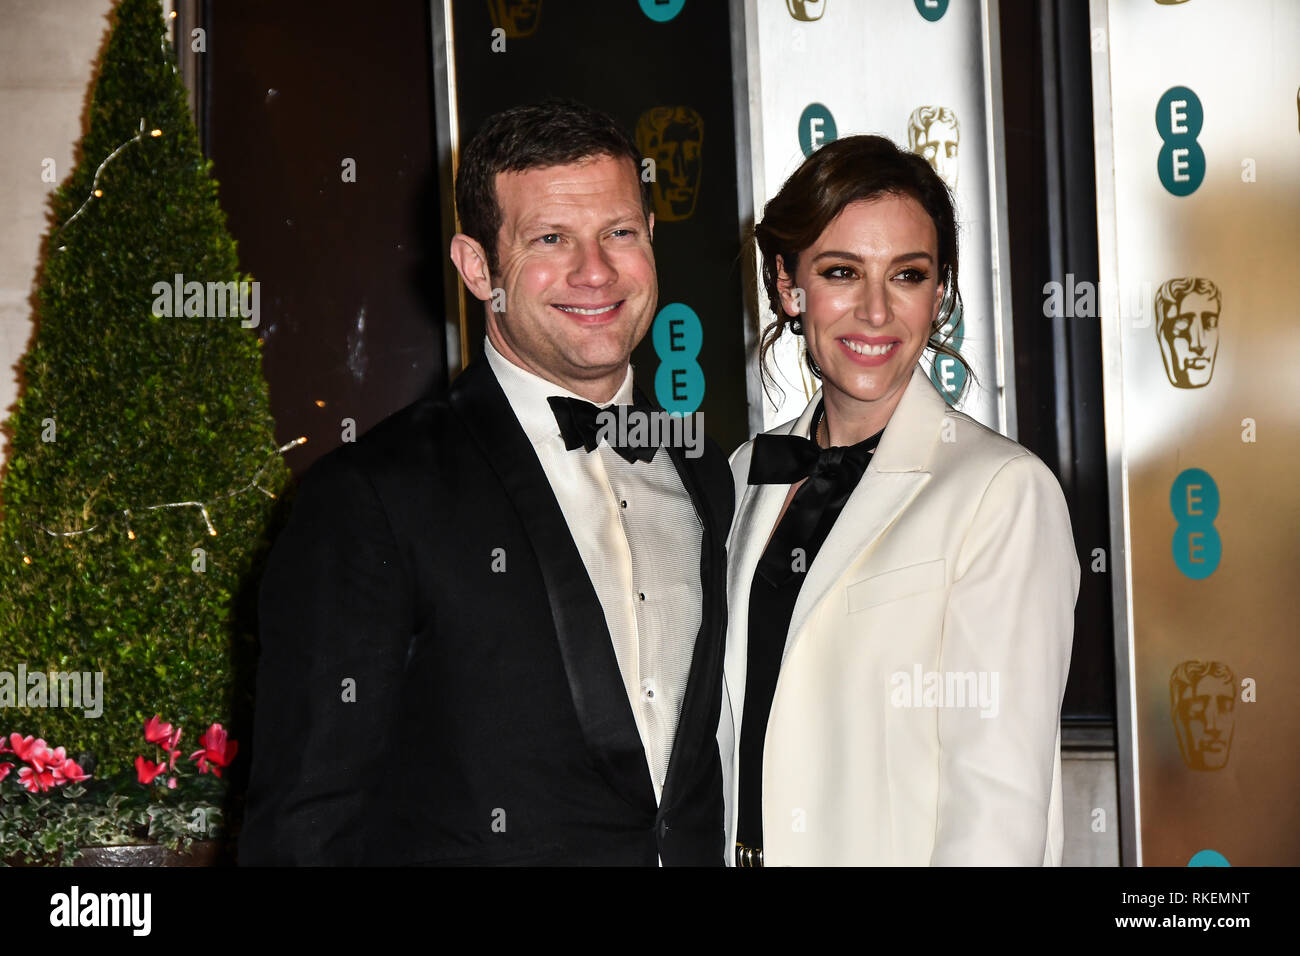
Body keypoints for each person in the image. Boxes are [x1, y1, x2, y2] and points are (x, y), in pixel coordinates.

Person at [239, 101, 734, 865]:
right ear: (477, 268)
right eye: (550, 239)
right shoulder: (372, 497)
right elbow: (307, 826)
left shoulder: (705, 470)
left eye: (619, 233)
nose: (595, 271)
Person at [718, 134, 1079, 866]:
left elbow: (998, 803)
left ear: (939, 291)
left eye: (907, 275)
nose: (876, 311)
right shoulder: (743, 475)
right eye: (842, 272)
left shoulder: (1001, 493)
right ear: (789, 287)